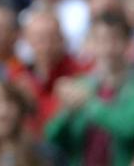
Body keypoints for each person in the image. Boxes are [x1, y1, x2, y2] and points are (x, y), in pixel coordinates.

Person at [45, 12, 134, 165]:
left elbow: (128, 129)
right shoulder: (81, 83)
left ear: (127, 42)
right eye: (100, 40)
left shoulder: (130, 86)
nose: (108, 47)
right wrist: (67, 113)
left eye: (115, 39)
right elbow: (52, 137)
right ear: (90, 43)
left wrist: (89, 103)